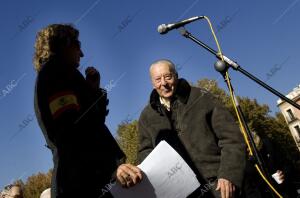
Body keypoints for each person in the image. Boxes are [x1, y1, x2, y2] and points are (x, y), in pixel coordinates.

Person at [33, 24, 142, 197]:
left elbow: (87, 123)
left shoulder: (60, 74)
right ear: (63, 44)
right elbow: (72, 134)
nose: (82, 54)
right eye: (77, 46)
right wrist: (112, 170)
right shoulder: (56, 72)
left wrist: (92, 91)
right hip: (82, 183)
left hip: (85, 180)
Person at [138, 59, 246, 198]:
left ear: (176, 76)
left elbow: (232, 139)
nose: (164, 83)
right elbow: (145, 154)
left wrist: (229, 175)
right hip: (179, 193)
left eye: (168, 77)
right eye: (158, 79)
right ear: (152, 83)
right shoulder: (146, 117)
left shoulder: (202, 97)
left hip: (218, 187)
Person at [242, 131, 297, 198]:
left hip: (284, 192)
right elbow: (248, 188)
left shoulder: (268, 145)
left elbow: (288, 164)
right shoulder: (241, 159)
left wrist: (284, 173)